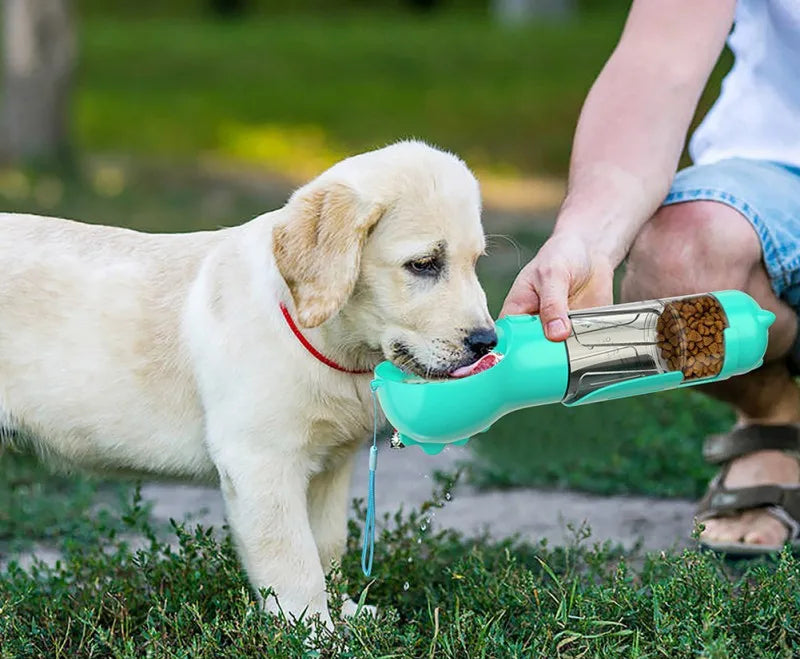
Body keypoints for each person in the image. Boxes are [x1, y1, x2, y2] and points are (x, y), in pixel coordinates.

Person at [501, 0, 800, 554]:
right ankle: (775, 419)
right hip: (780, 162)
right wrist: (588, 238)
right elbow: (657, 62)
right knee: (682, 262)